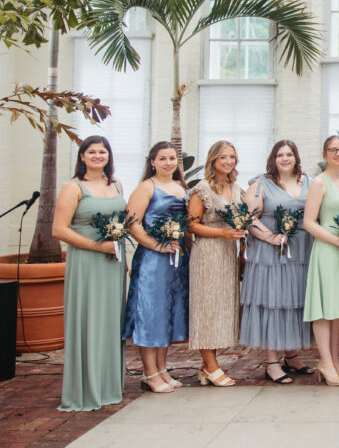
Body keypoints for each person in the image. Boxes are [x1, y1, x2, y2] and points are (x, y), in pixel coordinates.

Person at [54, 136, 128, 410]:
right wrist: (99, 246)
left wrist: (120, 254)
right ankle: (85, 389)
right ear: (82, 156)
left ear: (109, 156)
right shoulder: (73, 187)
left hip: (114, 265)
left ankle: (109, 384)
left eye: (103, 151)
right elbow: (59, 230)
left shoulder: (116, 184)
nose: (98, 155)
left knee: (110, 322)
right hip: (87, 262)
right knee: (89, 320)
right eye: (92, 151)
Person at [241, 140, 313, 384]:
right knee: (274, 302)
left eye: (289, 154)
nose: (285, 158)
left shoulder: (309, 181)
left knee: (294, 302)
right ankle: (272, 362)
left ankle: (292, 355)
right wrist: (270, 237)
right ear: (273, 158)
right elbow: (248, 219)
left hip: (301, 251)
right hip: (271, 254)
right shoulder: (260, 184)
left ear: (296, 157)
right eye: (280, 155)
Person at [122, 141, 189, 395]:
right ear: (152, 162)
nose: (168, 163)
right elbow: (133, 223)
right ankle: (149, 373)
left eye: (172, 158)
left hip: (177, 260)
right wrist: (156, 245)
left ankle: (162, 369)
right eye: (162, 158)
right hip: (153, 261)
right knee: (150, 314)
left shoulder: (181, 188)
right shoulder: (146, 187)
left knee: (167, 314)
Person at [303, 135, 339, 386]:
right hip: (328, 250)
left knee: (337, 310)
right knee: (324, 309)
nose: (338, 153)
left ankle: (335, 362)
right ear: (325, 153)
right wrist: (337, 241)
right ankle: (325, 363)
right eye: (332, 149)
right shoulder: (319, 182)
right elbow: (308, 222)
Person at [187, 140, 245, 387]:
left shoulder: (235, 186)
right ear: (213, 160)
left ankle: (206, 367)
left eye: (231, 157)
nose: (228, 161)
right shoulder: (202, 189)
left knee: (222, 308)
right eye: (223, 157)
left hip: (228, 253)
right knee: (207, 308)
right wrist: (222, 234)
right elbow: (191, 225)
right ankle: (211, 366)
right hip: (208, 253)